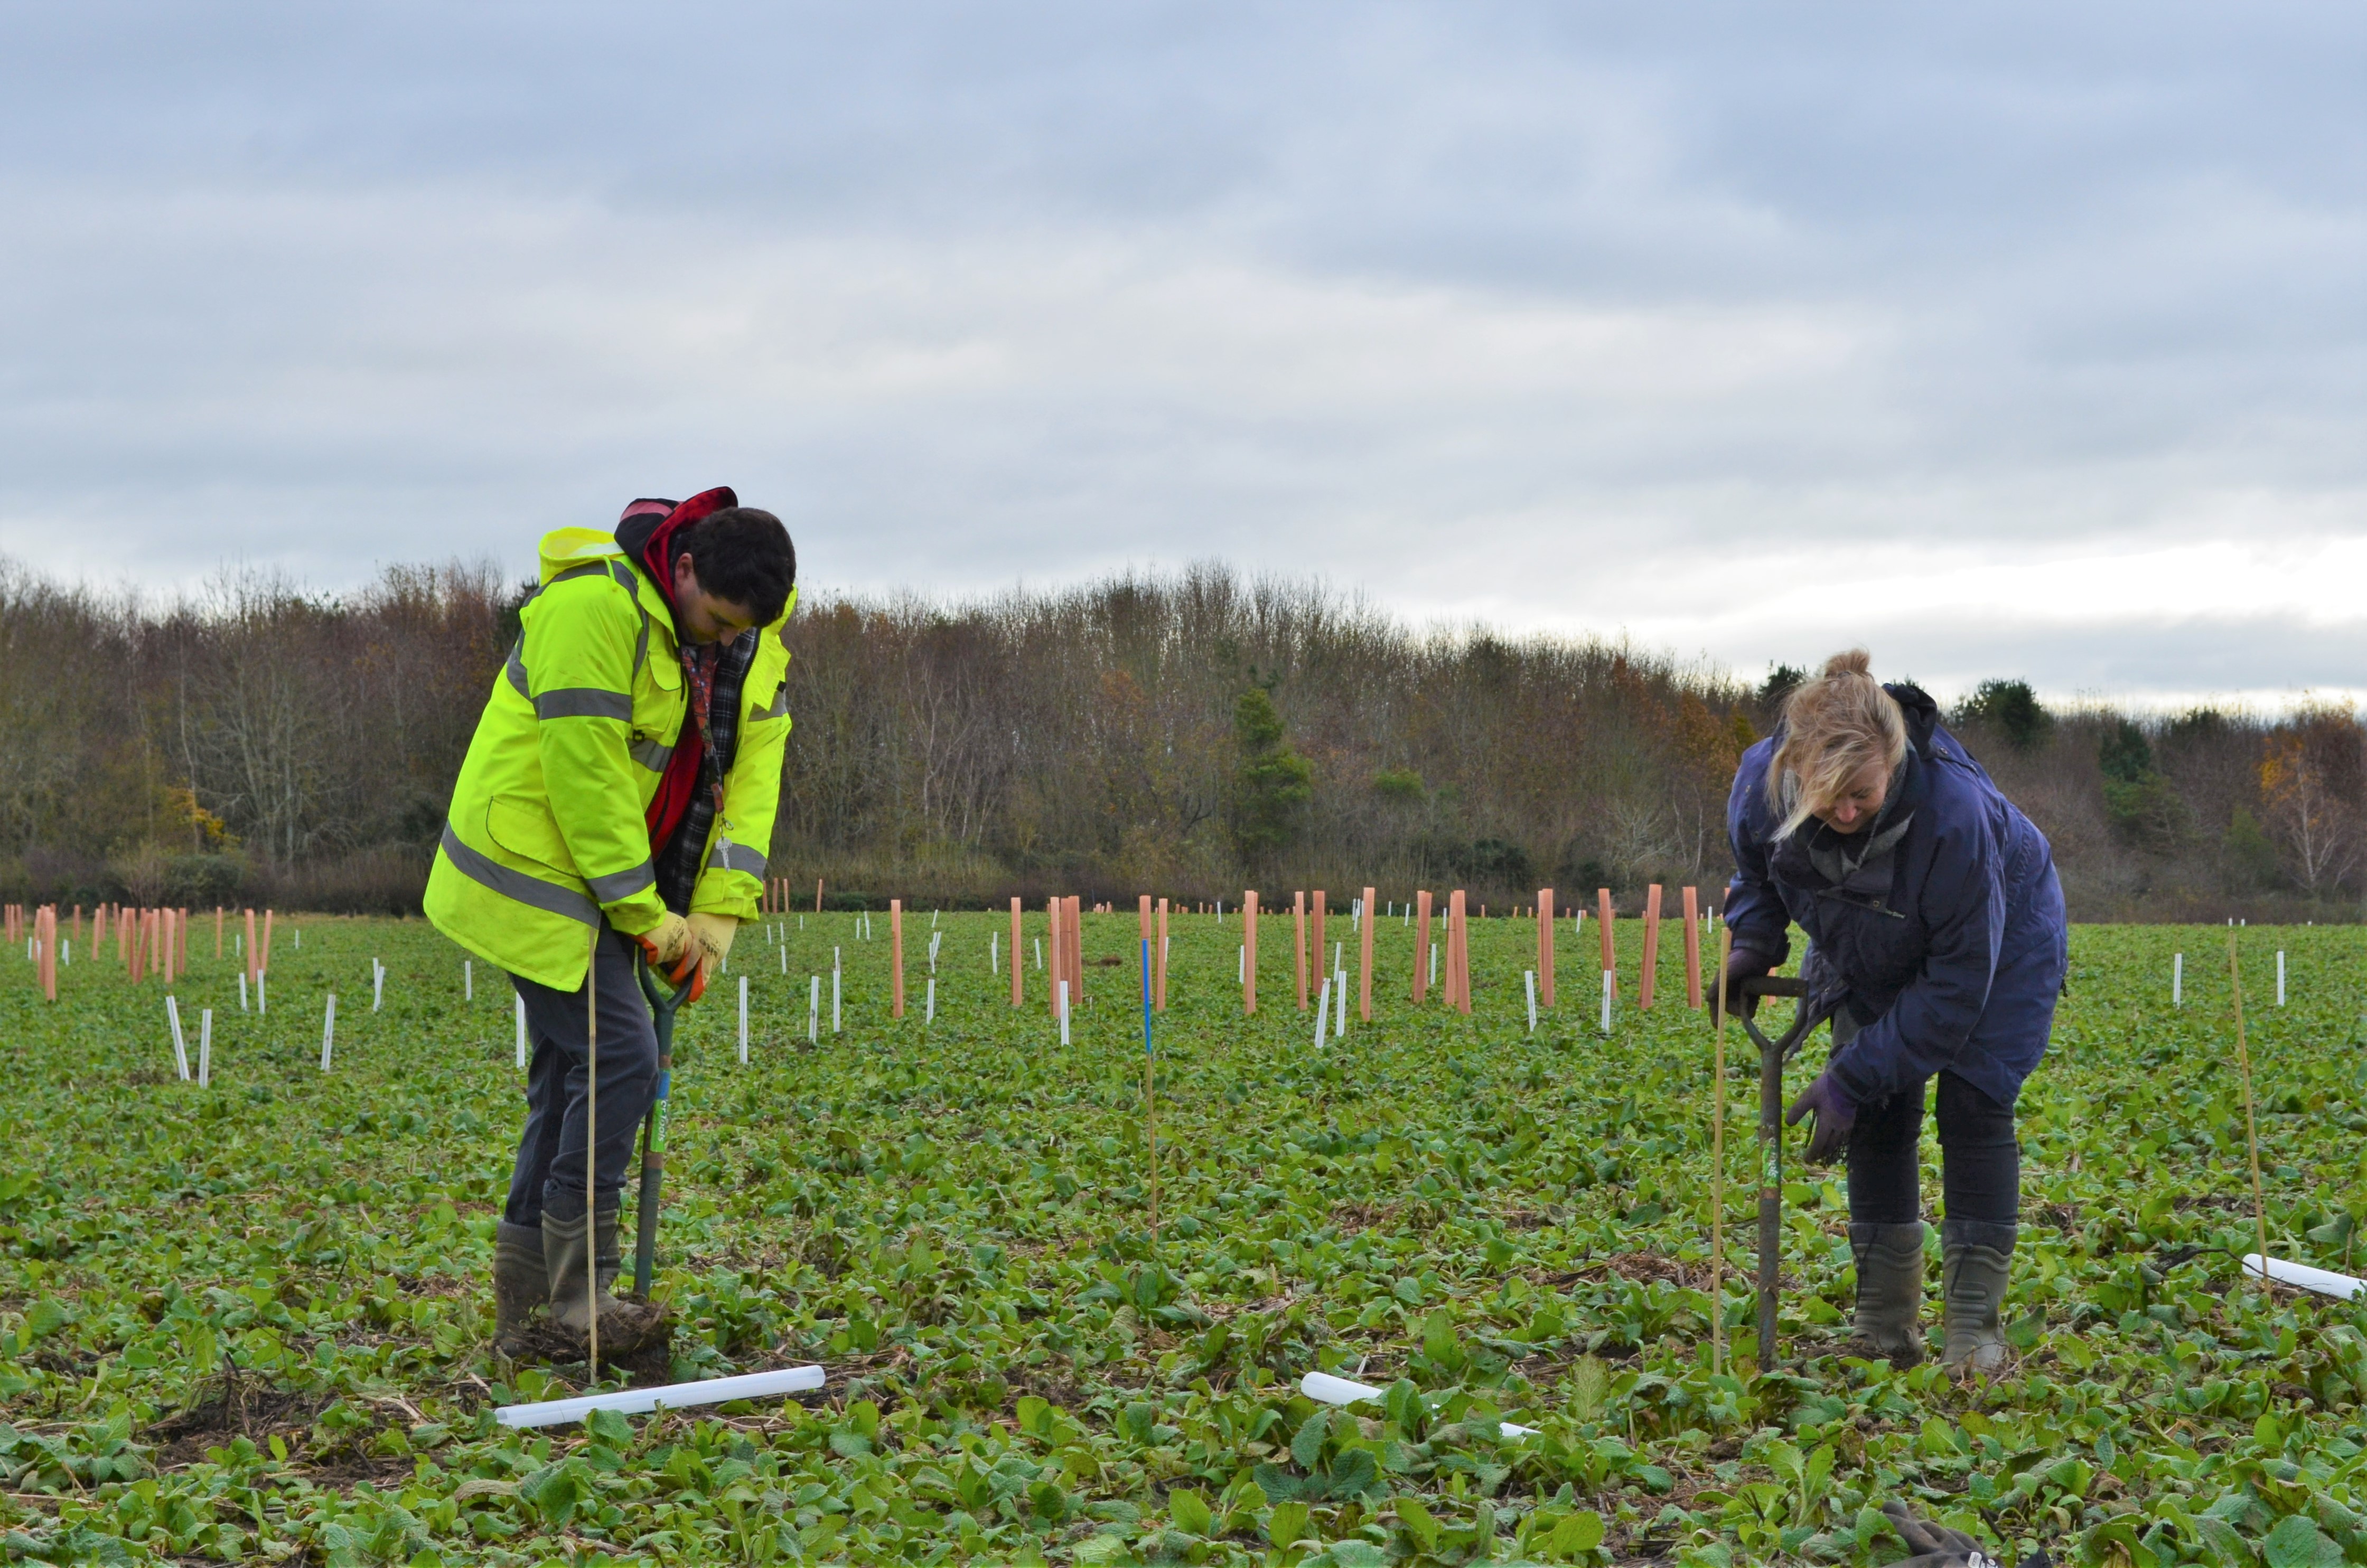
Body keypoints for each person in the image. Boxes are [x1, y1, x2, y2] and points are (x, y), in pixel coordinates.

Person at [426, 488, 798, 1355]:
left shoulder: (753, 650)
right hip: (532, 866)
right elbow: (587, 785)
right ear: (686, 567)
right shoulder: (593, 607)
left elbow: (748, 792)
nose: (726, 641)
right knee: (620, 1050)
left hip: (609, 880)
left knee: (567, 1072)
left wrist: (710, 921)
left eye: (743, 630)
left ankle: (527, 1316)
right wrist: (648, 920)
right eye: (717, 621)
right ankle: (578, 1300)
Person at [1722, 650, 2066, 1373]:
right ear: (1796, 771)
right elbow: (1755, 866)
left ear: (1894, 760)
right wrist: (1754, 939)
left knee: (1971, 1106)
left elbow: (1953, 991)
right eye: (1829, 799)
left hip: (1997, 950)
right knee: (1877, 1113)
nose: (1845, 813)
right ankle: (1884, 1327)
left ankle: (1972, 1331)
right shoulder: (1761, 785)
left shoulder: (1953, 818)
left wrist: (1848, 1074)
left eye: (1863, 796)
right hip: (1867, 941)